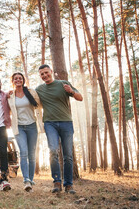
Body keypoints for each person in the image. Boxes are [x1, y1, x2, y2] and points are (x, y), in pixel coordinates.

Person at [35, 65, 83, 194]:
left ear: (51, 72)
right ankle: (57, 182)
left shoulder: (63, 84)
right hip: (50, 123)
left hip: (66, 122)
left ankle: (69, 184)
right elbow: (29, 98)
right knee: (53, 151)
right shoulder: (39, 89)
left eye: (46, 72)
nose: (44, 75)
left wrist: (71, 92)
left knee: (68, 155)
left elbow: (80, 98)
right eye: (42, 74)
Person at [8, 72, 44, 192]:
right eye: (15, 79)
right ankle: (26, 180)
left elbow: (40, 105)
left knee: (31, 154)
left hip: (32, 126)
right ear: (12, 81)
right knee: (23, 152)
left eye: (20, 78)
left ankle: (31, 179)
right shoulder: (11, 95)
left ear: (23, 80)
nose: (18, 80)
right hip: (19, 127)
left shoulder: (31, 92)